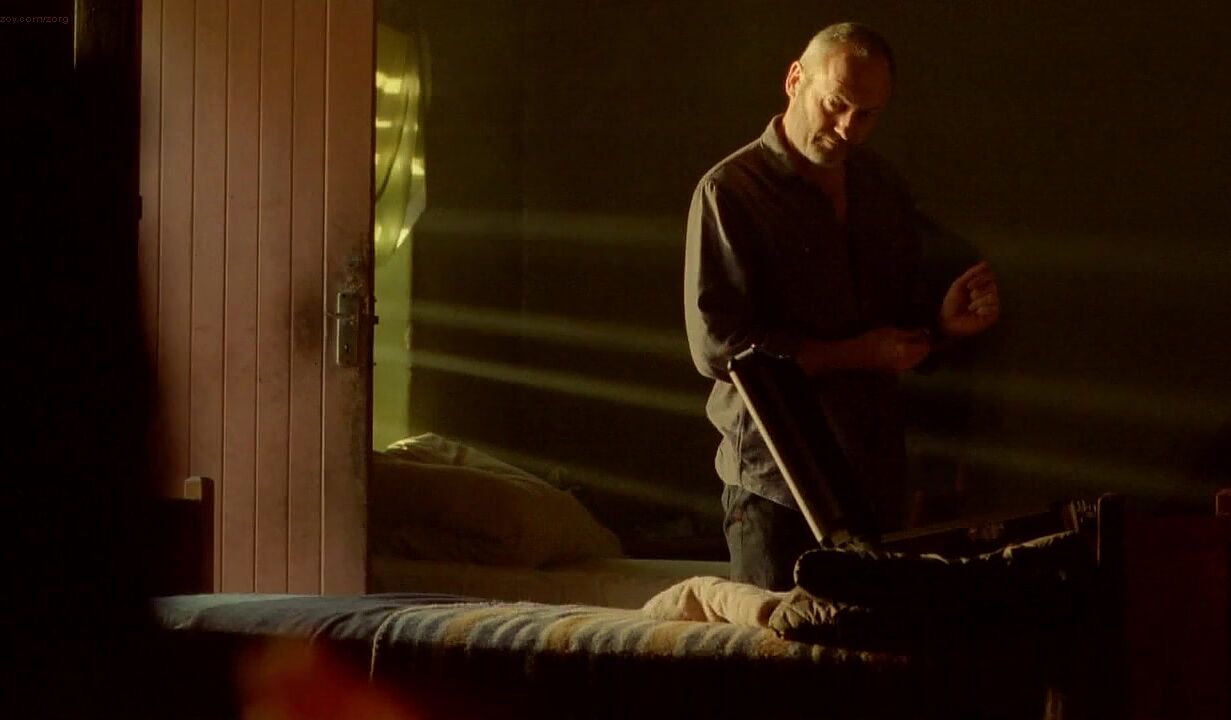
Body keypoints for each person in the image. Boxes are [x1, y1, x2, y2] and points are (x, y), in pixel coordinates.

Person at [684, 22, 1000, 590]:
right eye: (837, 104)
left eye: (868, 114)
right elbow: (719, 348)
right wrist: (860, 354)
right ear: (794, 80)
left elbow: (893, 319)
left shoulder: (879, 185)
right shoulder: (730, 190)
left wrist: (942, 326)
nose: (849, 128)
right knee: (775, 642)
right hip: (775, 485)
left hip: (872, 479)